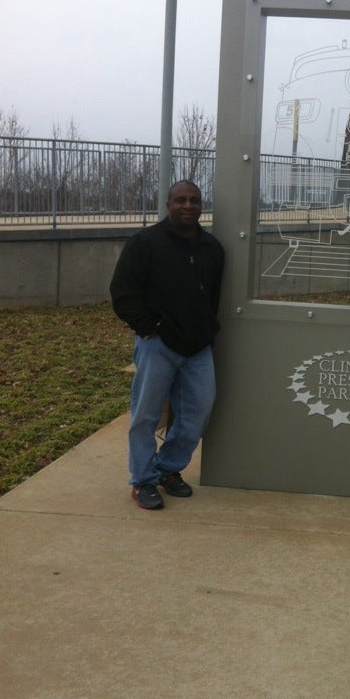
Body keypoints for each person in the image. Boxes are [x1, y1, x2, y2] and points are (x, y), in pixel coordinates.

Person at [110, 180, 225, 510]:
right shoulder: (145, 243)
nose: (188, 206)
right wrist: (149, 329)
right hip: (157, 345)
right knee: (145, 416)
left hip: (198, 349)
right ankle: (143, 480)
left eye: (194, 200)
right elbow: (122, 292)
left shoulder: (212, 248)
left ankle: (168, 469)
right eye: (180, 200)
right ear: (167, 204)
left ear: (201, 205)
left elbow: (213, 298)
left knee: (197, 414)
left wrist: (207, 330)